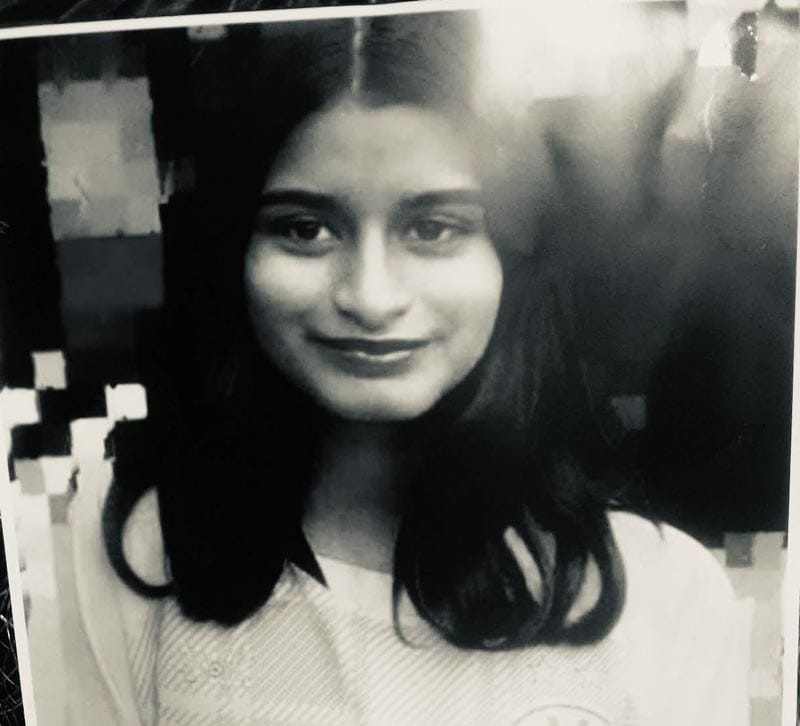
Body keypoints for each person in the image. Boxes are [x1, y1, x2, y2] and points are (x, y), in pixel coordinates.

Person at [59, 11, 748, 726]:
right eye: (305, 228)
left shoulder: (664, 598)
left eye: (434, 228)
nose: (371, 297)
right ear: (235, 251)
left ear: (513, 257)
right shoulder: (135, 548)